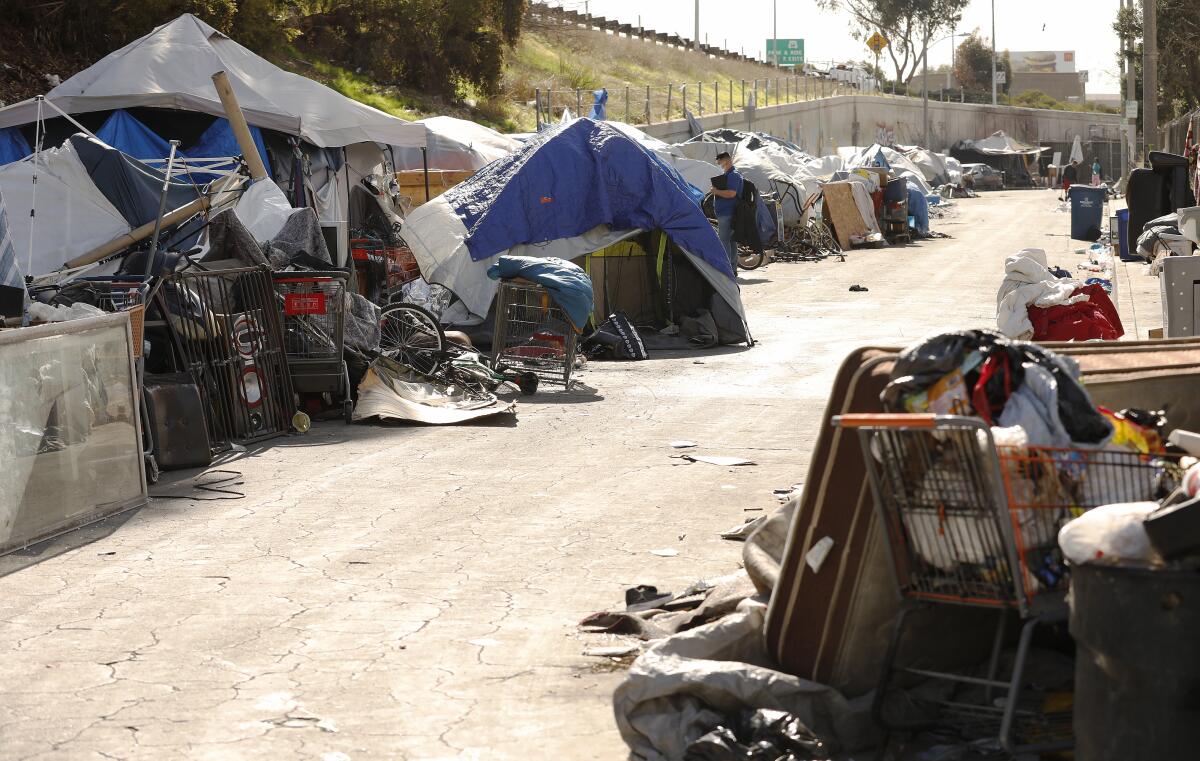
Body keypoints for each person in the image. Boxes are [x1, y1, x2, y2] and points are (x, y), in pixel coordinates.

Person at [711, 151, 743, 273]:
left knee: (724, 241)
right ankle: (733, 268)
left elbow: (731, 193)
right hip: (727, 213)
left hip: (728, 213)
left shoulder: (733, 175)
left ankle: (727, 269)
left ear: (727, 160)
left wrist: (716, 192)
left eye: (721, 163)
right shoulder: (729, 175)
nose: (720, 165)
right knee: (731, 241)